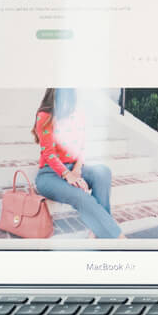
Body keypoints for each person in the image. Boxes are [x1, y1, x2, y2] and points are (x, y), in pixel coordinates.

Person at [30, 88, 121, 238]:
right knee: (81, 196)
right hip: (49, 174)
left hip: (74, 167)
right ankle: (117, 239)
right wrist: (67, 174)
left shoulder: (78, 115)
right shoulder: (45, 116)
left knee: (103, 171)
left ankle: (97, 232)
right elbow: (48, 154)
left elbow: (82, 147)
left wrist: (77, 170)